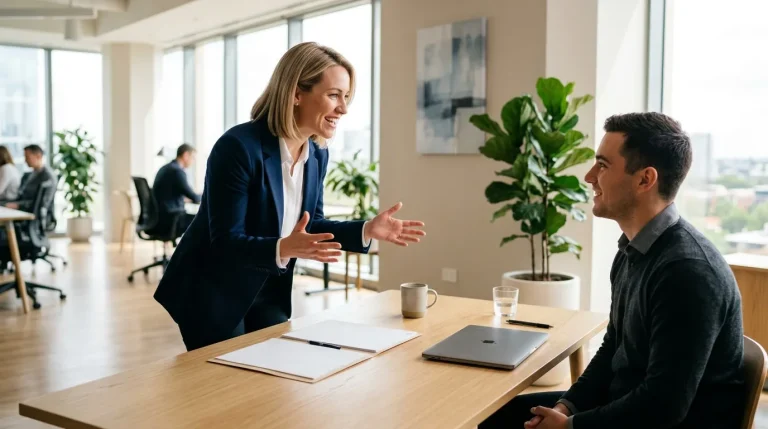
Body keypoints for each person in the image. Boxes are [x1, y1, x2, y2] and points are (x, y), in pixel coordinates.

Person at [154, 42, 426, 351]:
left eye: (346, 97)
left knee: (270, 386)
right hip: (213, 289)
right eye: (334, 95)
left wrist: (365, 230)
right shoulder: (238, 147)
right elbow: (225, 241)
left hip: (268, 286)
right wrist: (283, 246)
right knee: (227, 391)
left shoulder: (317, 154)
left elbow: (311, 224)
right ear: (297, 93)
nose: (344, 108)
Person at [479, 112, 745, 429]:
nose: (589, 176)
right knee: (498, 417)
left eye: (603, 165)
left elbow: (664, 407)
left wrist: (570, 427)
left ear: (645, 179)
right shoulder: (633, 249)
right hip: (628, 406)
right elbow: (613, 349)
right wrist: (567, 406)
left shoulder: (688, 273)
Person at [152, 143, 201, 234]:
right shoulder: (177, 172)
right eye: (193, 157)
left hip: (159, 217)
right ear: (186, 155)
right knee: (203, 221)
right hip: (170, 219)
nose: (193, 161)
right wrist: (206, 195)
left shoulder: (166, 168)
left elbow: (168, 194)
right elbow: (194, 197)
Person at [5, 144, 56, 213]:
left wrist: (18, 205)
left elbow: (43, 203)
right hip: (22, 209)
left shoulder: (48, 176)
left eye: (27, 157)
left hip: (31, 213)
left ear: (38, 156)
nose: (25, 161)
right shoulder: (30, 174)